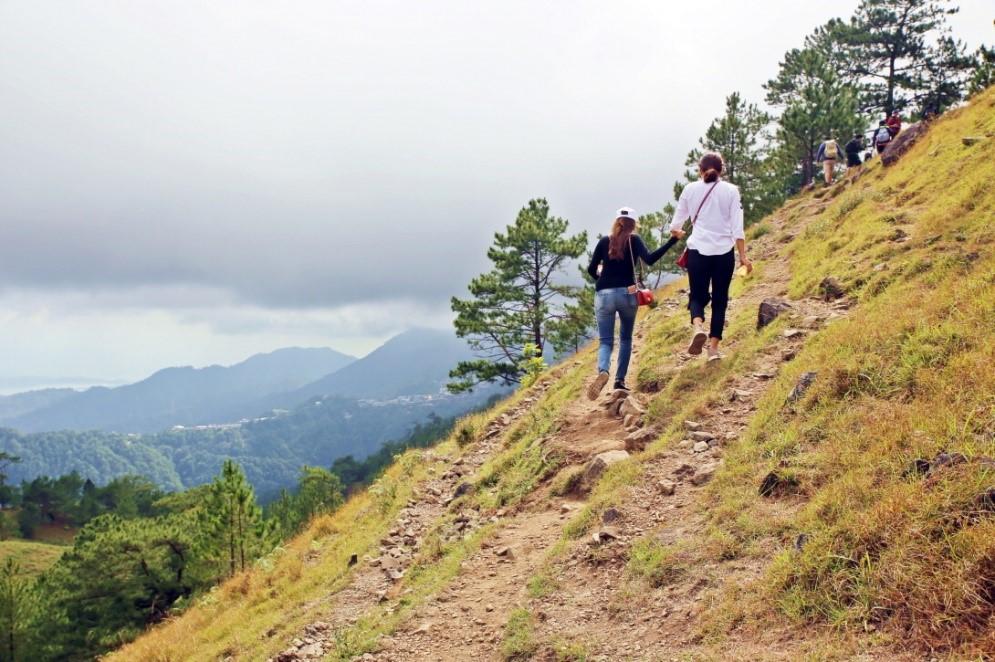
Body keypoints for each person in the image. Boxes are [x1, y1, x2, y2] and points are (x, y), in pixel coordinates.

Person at [586, 207, 677, 398]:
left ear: (616, 222)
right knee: (626, 338)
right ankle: (619, 381)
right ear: (634, 224)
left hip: (604, 295)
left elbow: (591, 269)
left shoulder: (604, 241)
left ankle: (603, 370)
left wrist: (602, 279)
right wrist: (673, 240)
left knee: (605, 341)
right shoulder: (634, 240)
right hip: (628, 294)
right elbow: (650, 259)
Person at [669, 152, 752, 362]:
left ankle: (698, 326)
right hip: (724, 254)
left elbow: (676, 225)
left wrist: (677, 232)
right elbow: (737, 228)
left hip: (698, 251)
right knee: (720, 299)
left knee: (697, 295)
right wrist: (743, 256)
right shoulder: (731, 191)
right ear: (721, 169)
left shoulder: (690, 189)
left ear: (700, 170)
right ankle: (713, 349)